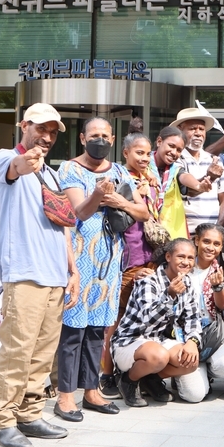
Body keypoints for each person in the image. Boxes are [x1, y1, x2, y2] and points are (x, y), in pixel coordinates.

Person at [0, 103, 80, 447]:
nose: (47, 136)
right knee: (18, 350)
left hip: (55, 275)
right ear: (23, 125)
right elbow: (14, 168)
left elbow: (63, 224)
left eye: (53, 132)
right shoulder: (5, 157)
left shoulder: (53, 174)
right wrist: (25, 162)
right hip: (23, 272)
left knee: (42, 353)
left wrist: (72, 270)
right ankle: (2, 422)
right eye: (41, 128)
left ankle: (30, 413)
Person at [55, 117, 149, 422]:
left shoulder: (121, 172)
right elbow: (78, 211)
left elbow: (143, 212)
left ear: (113, 139)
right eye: (94, 135)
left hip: (109, 263)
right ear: (82, 139)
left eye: (105, 136)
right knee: (73, 331)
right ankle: (65, 397)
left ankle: (92, 390)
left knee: (98, 329)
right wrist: (99, 195)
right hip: (80, 260)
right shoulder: (69, 169)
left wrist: (118, 199)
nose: (100, 140)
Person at [99, 132, 159, 399]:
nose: (144, 158)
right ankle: (106, 374)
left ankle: (138, 373)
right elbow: (137, 214)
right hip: (125, 261)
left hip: (148, 258)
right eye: (139, 153)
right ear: (125, 153)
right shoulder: (118, 178)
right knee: (115, 318)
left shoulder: (148, 180)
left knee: (141, 319)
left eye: (147, 153)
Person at [111, 239, 204, 406]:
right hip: (131, 340)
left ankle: (150, 380)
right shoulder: (149, 281)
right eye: (181, 256)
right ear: (168, 257)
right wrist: (169, 295)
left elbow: (192, 317)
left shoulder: (188, 282)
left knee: (190, 361)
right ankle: (127, 380)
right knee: (159, 356)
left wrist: (192, 341)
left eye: (191, 258)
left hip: (158, 339)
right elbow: (148, 318)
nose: (186, 262)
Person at [191, 223, 224, 395]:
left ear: (221, 247)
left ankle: (205, 366)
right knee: (194, 395)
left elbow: (223, 305)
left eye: (216, 244)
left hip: (211, 332)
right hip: (183, 333)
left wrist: (218, 286)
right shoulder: (182, 263)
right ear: (197, 240)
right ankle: (186, 372)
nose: (211, 247)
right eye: (206, 241)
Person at [172, 108, 224, 235]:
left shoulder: (214, 160)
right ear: (180, 130)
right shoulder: (175, 158)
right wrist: (208, 178)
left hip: (211, 236)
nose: (198, 133)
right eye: (192, 128)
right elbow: (188, 188)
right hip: (182, 235)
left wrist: (216, 230)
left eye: (201, 129)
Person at [149, 126, 212, 240]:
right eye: (171, 146)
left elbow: (184, 177)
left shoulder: (176, 169)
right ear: (159, 141)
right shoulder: (143, 164)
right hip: (143, 229)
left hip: (170, 234)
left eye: (179, 150)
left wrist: (198, 185)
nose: (174, 152)